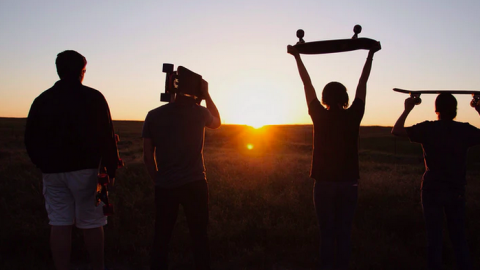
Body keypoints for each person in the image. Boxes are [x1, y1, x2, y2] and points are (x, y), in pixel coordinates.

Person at [287, 43, 380, 270]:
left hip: (324, 185)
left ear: (324, 97)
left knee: (327, 235)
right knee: (344, 234)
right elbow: (362, 83)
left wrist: (297, 57)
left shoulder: (318, 114)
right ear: (346, 97)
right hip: (349, 184)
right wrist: (370, 56)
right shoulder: (354, 114)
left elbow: (306, 83)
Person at [25, 50, 120, 270]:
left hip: (52, 173)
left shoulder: (42, 100)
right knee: (92, 222)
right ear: (81, 72)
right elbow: (107, 136)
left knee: (59, 223)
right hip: (86, 173)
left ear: (59, 71)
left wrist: (43, 164)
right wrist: (111, 169)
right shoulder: (94, 97)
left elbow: (30, 139)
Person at [392, 93, 480, 270]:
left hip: (432, 189)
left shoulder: (428, 128)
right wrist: (479, 109)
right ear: (455, 110)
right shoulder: (464, 130)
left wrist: (408, 108)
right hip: (456, 189)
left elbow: (397, 130)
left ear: (436, 109)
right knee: (459, 238)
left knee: (434, 239)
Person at [143, 78, 221, 270]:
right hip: (195, 184)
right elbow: (217, 122)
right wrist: (207, 95)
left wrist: (158, 180)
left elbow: (147, 155)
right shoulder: (201, 113)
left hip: (165, 186)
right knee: (199, 235)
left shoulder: (153, 115)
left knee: (161, 235)